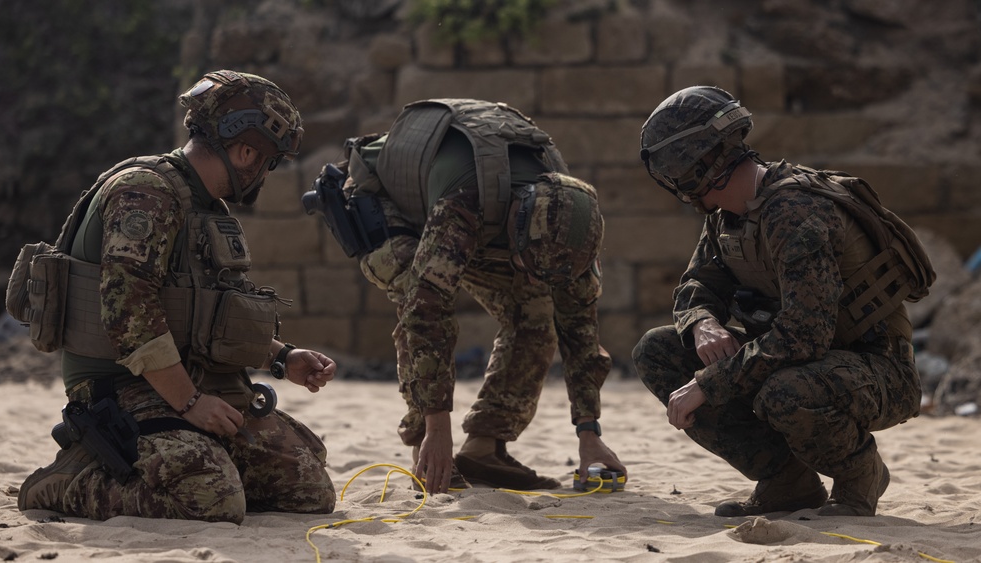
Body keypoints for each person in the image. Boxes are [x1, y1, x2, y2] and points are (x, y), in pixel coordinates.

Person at [16, 70, 337, 524]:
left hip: (190, 379)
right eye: (269, 162)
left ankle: (198, 454)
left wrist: (283, 357)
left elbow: (207, 315)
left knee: (307, 490)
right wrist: (191, 404)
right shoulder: (145, 193)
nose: (267, 174)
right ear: (245, 151)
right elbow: (128, 313)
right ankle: (67, 479)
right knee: (213, 501)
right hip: (123, 388)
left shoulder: (204, 206)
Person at [633, 86, 926, 517]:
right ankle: (787, 482)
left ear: (695, 166)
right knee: (658, 351)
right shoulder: (727, 215)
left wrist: (709, 384)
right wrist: (702, 323)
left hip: (875, 368)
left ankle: (859, 474)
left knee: (784, 392)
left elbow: (804, 336)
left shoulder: (796, 211)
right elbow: (696, 284)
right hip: (799, 360)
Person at [312, 98, 626, 494]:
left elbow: (579, 328)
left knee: (535, 313)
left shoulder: (571, 226)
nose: (528, 275)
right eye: (526, 263)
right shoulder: (466, 205)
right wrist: (437, 426)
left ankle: (485, 449)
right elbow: (426, 312)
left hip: (479, 214)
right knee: (415, 289)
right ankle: (425, 453)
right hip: (387, 198)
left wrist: (589, 432)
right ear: (516, 224)